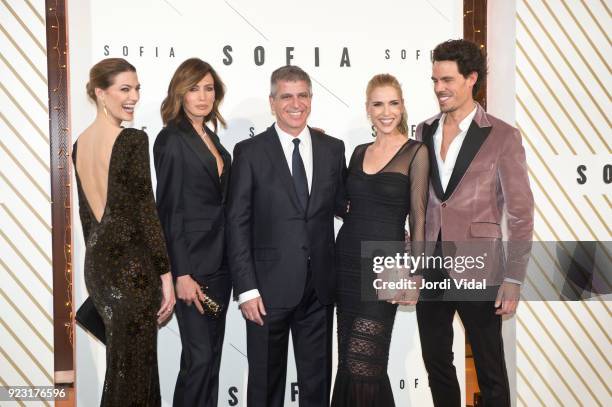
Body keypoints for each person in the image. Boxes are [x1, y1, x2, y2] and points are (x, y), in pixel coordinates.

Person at [415, 39, 534, 407]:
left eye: (447, 80)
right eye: (435, 80)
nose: (439, 89)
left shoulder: (502, 136)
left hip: (480, 264)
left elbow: (521, 212)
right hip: (431, 262)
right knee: (437, 363)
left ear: (471, 79)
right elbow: (419, 203)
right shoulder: (423, 130)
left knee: (489, 367)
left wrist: (513, 278)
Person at [227, 65, 346, 407]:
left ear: (311, 99)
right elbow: (237, 223)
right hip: (265, 291)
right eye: (287, 96)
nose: (296, 104)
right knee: (265, 386)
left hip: (319, 290)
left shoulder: (332, 148)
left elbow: (345, 207)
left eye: (303, 95)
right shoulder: (249, 152)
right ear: (272, 102)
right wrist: (246, 289)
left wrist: (398, 227)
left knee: (317, 385)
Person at [72, 58, 175, 406]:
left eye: (136, 88)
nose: (133, 97)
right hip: (133, 272)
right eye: (124, 89)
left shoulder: (79, 145)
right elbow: (146, 212)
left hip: (99, 270)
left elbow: (89, 222)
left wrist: (99, 271)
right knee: (134, 373)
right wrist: (166, 274)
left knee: (126, 368)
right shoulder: (131, 140)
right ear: (101, 93)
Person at [331, 74, 429, 407]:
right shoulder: (358, 152)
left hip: (387, 265)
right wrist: (320, 153)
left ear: (402, 106)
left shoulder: (417, 152)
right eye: (378, 104)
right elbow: (341, 204)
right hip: (346, 262)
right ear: (368, 109)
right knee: (348, 359)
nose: (386, 112)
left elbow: (418, 216)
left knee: (366, 362)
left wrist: (415, 273)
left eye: (393, 103)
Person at [153, 58, 232, 407]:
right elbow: (169, 211)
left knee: (210, 356)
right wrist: (180, 272)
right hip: (193, 268)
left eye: (209, 88)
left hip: (220, 267)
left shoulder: (211, 137)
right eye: (194, 88)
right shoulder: (171, 139)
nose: (203, 96)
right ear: (180, 93)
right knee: (199, 357)